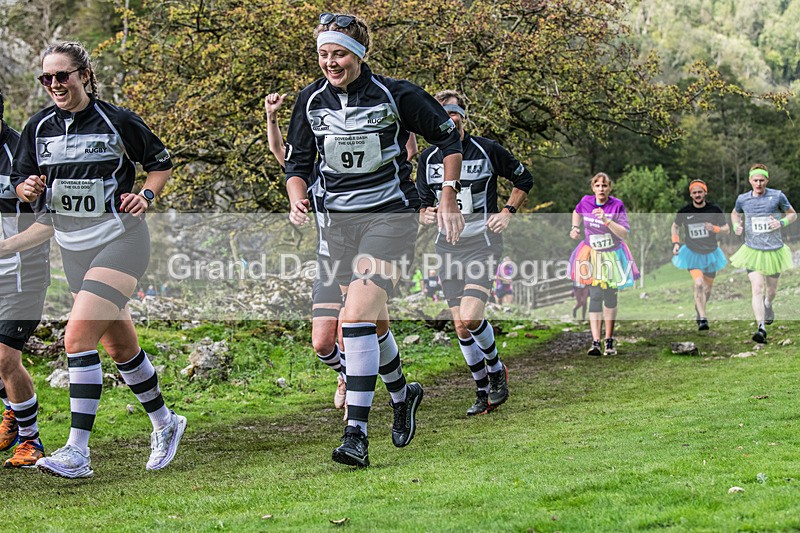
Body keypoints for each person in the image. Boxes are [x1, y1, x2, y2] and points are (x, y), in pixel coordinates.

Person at [284, 13, 464, 467]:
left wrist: (446, 197)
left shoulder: (396, 94)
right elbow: (297, 164)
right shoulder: (310, 101)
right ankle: (403, 394)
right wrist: (297, 199)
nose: (330, 62)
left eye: (339, 53)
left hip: (389, 218)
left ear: (360, 54)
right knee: (358, 328)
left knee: (357, 319)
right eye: (324, 54)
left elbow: (449, 142)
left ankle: (357, 436)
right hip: (336, 228)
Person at [12, 41, 186, 478]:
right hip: (73, 250)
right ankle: (166, 423)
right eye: (46, 78)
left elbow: (160, 163)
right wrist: (27, 189)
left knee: (76, 339)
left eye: (62, 76)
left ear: (84, 75)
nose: (54, 84)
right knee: (119, 346)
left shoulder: (117, 120)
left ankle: (78, 451)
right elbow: (21, 182)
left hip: (121, 241)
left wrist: (145, 195)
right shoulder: (37, 127)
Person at [265, 91, 420, 414]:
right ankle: (350, 375)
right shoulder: (311, 174)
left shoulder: (357, 173)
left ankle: (374, 396)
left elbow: (407, 151)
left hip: (366, 250)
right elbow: (283, 154)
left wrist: (400, 118)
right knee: (322, 343)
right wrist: (272, 117)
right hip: (328, 259)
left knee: (358, 326)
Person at [417, 90, 532, 416]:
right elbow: (422, 204)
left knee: (470, 316)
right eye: (444, 115)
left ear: (463, 117)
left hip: (482, 244)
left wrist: (508, 210)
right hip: (447, 248)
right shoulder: (427, 159)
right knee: (460, 325)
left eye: (455, 114)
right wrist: (424, 214)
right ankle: (482, 390)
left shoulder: (487, 149)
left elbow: (524, 178)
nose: (450, 120)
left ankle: (496, 369)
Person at [0, 90, 54, 467]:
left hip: (22, 275)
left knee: (5, 359)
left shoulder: (22, 154)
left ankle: (30, 440)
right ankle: (12, 413)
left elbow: (48, 223)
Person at [568, 173, 639, 356]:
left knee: (610, 296)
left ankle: (609, 340)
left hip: (612, 256)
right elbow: (576, 211)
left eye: (604, 186)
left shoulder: (617, 205)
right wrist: (575, 227)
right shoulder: (586, 201)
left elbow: (624, 233)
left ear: (609, 188)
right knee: (595, 294)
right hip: (592, 254)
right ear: (593, 188)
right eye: (598, 185)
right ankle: (595, 342)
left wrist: (607, 220)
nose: (601, 189)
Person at [730, 164, 796, 343]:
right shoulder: (743, 199)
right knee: (757, 287)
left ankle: (768, 305)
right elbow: (735, 213)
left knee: (771, 290)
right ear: (750, 180)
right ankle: (761, 328)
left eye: (762, 180)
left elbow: (792, 214)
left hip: (774, 250)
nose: (758, 183)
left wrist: (781, 223)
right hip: (752, 250)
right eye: (755, 180)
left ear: (767, 180)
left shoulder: (777, 196)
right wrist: (736, 226)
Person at [671, 179, 729, 330]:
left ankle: (699, 308)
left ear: (705, 193)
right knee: (698, 284)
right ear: (691, 194)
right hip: (692, 253)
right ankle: (703, 318)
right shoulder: (684, 211)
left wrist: (714, 228)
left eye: (700, 192)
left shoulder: (714, 210)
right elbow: (675, 226)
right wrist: (676, 243)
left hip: (711, 254)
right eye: (694, 192)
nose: (697, 195)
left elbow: (726, 229)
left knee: (708, 289)